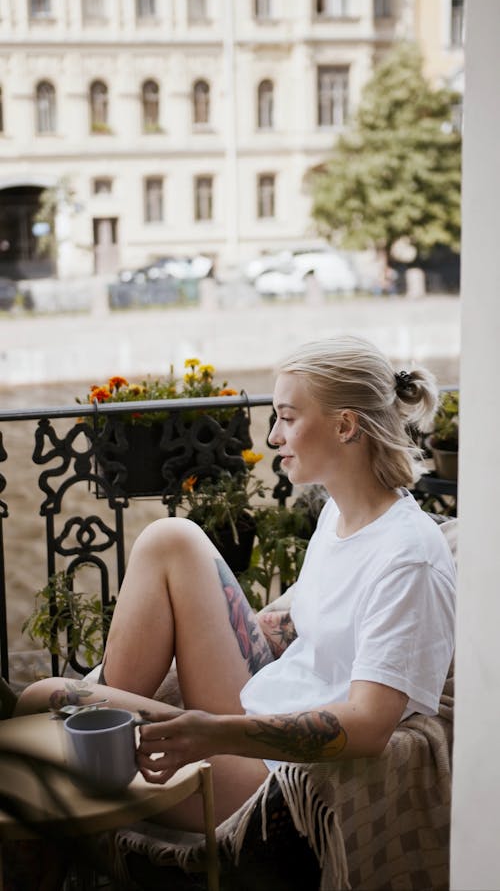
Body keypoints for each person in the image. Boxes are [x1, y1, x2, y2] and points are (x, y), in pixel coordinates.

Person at [15, 335, 455, 833]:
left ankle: (102, 750)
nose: (272, 438)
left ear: (346, 425)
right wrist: (235, 625)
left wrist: (215, 733)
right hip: (261, 711)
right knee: (171, 538)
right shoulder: (340, 515)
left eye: (288, 418)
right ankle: (109, 732)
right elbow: (323, 626)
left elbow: (370, 727)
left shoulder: (408, 558)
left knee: (39, 699)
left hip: (283, 779)